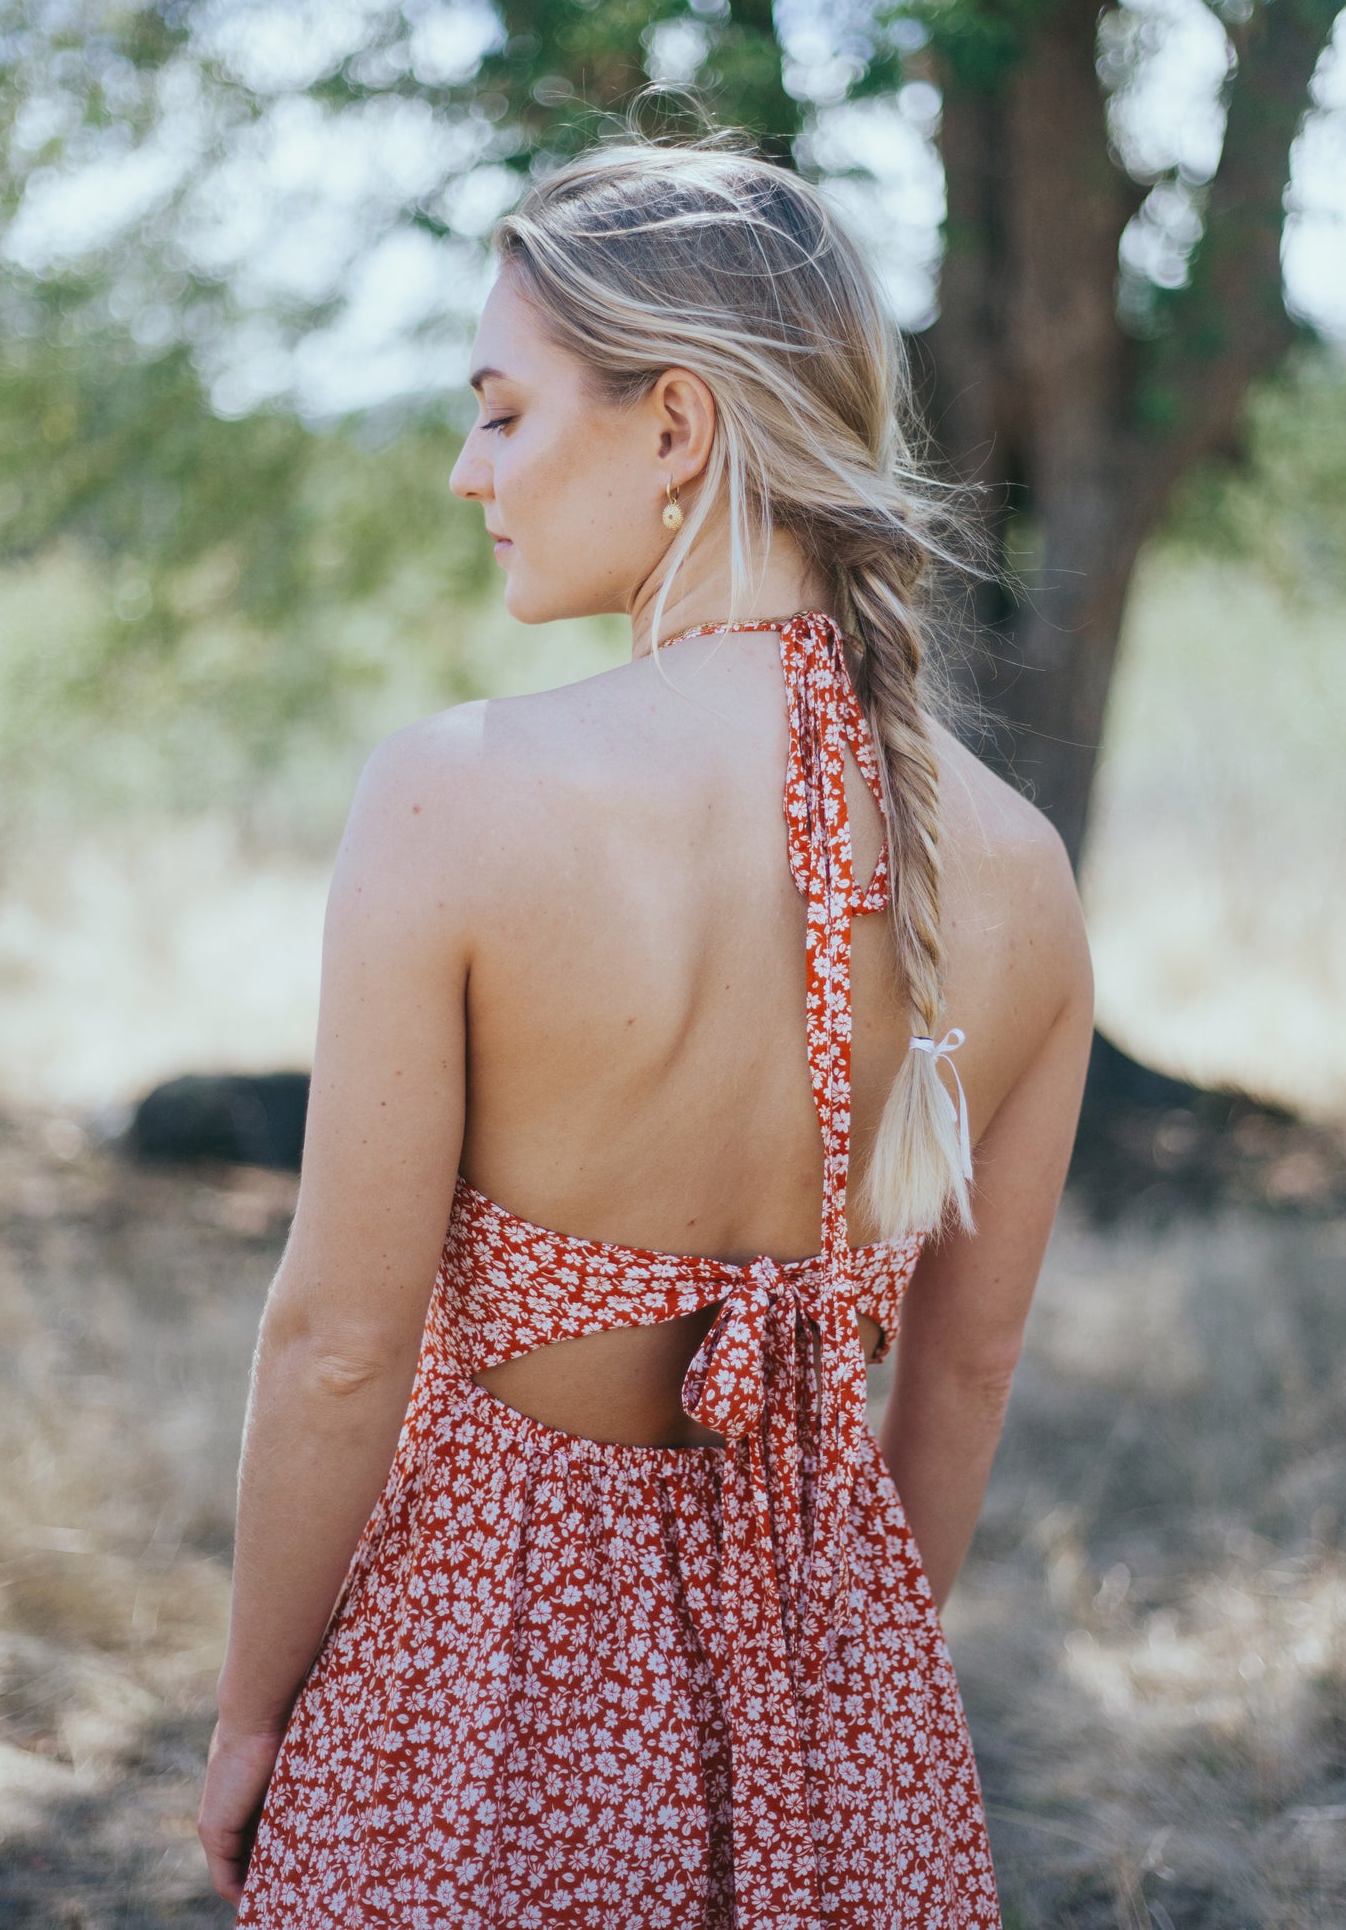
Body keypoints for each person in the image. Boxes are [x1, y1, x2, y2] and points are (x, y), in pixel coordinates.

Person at [199, 131, 1094, 1929]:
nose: (469, 472)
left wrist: (245, 1723)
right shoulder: (1020, 874)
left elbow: (338, 1347)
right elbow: (964, 1376)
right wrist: (839, 1704)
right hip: (842, 1714)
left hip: (476, 1697)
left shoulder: (458, 796)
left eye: (503, 412)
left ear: (675, 427)